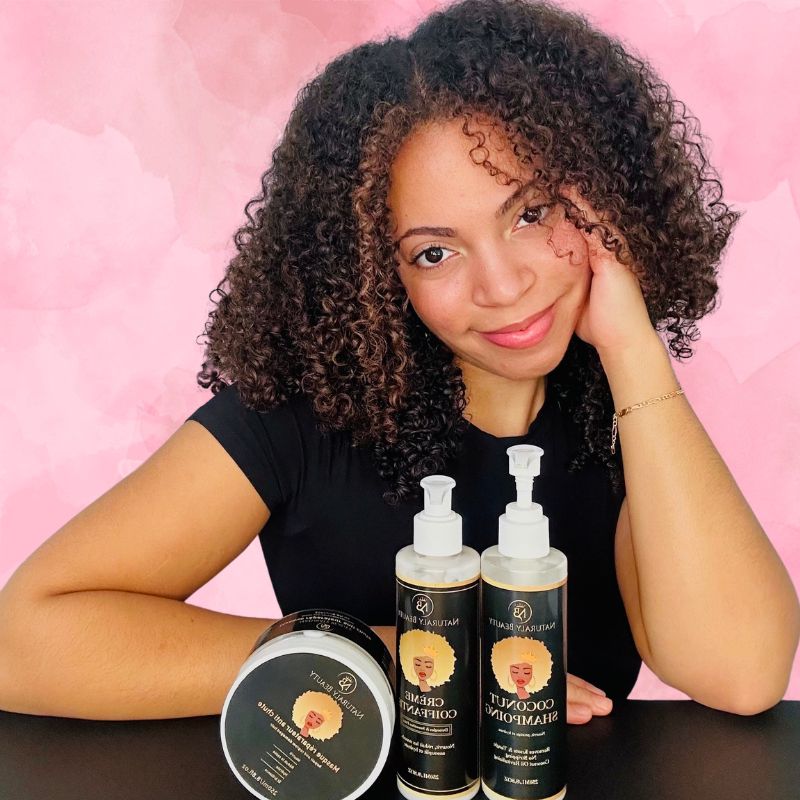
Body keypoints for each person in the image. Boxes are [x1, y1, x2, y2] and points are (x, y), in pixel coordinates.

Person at [0, 0, 797, 725]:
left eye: (531, 213)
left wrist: (631, 347)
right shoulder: (298, 422)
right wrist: (394, 654)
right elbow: (23, 642)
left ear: (602, 199)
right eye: (434, 252)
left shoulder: (622, 413)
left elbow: (742, 672)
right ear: (377, 274)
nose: (503, 286)